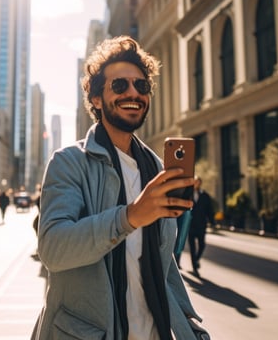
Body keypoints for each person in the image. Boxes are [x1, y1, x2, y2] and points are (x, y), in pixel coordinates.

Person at [31, 36, 207, 339]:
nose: (133, 93)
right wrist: (130, 217)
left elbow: (163, 267)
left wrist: (190, 327)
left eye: (142, 86)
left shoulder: (156, 169)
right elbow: (53, 250)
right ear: (96, 99)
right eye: (119, 85)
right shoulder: (69, 162)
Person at [185, 176, 215, 277]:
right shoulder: (187, 194)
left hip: (201, 225)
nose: (196, 183)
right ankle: (194, 267)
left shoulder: (205, 195)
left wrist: (212, 222)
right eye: (195, 182)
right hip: (190, 225)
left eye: (198, 182)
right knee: (192, 247)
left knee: (202, 245)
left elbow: (209, 210)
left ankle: (196, 259)